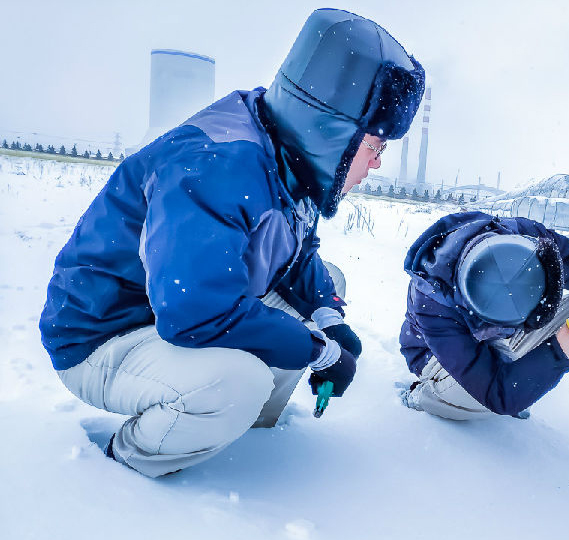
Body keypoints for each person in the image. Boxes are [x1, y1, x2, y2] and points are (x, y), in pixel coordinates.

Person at [39, 8, 425, 477]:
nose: (378, 164)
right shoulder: (215, 166)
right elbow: (194, 311)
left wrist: (328, 317)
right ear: (334, 134)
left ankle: (245, 429)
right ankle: (124, 472)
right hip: (105, 334)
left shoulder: (285, 152)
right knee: (233, 385)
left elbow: (296, 253)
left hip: (166, 314)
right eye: (376, 147)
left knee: (320, 293)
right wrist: (316, 349)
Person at [398, 212, 569, 420]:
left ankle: (520, 375)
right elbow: (498, 393)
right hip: (439, 360)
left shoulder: (523, 236)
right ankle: (429, 397)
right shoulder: (432, 304)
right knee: (484, 400)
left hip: (500, 339)